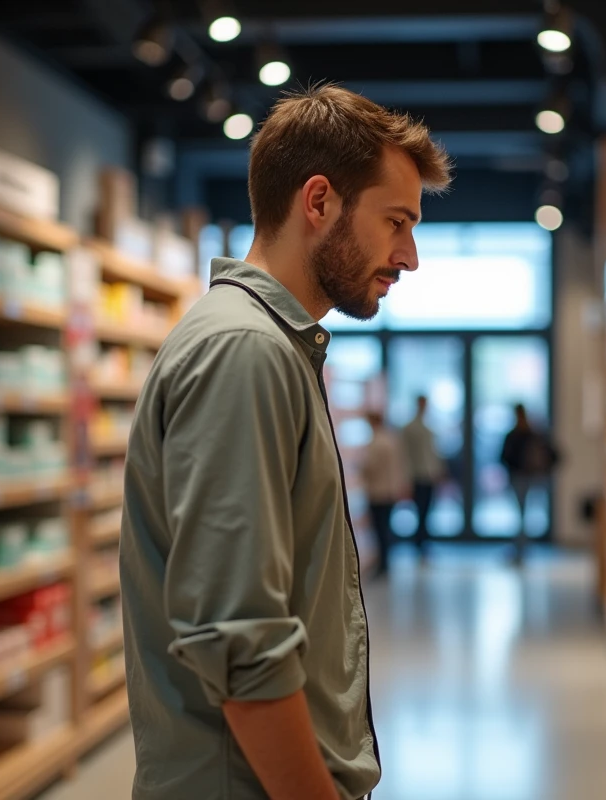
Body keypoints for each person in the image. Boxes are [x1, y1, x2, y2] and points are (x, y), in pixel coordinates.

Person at [119, 84, 451, 800]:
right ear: (320, 201)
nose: (410, 256)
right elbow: (239, 637)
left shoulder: (272, 346)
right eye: (396, 221)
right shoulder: (245, 351)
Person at [500, 403, 558, 565]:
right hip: (529, 478)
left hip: (520, 478)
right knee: (522, 514)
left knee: (521, 515)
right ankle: (521, 547)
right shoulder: (533, 433)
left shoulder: (517, 435)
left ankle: (520, 549)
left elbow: (504, 457)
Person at [360, 409, 405, 577]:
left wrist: (361, 470)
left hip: (378, 491)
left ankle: (383, 563)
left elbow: (371, 467)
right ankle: (385, 562)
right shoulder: (391, 440)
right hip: (390, 491)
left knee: (379, 528)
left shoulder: (376, 442)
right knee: (385, 526)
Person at [401, 394, 442, 559]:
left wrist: (438, 471)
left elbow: (433, 453)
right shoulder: (410, 428)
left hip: (429, 474)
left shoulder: (427, 426)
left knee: (426, 511)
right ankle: (419, 543)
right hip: (417, 475)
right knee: (420, 510)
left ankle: (423, 542)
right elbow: (406, 455)